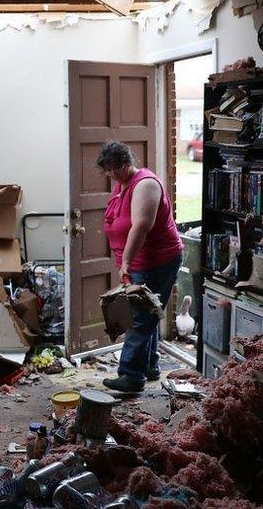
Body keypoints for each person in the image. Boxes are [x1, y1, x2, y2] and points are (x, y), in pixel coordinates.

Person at [98, 141, 184, 393]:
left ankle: (131, 375)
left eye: (113, 169)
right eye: (107, 170)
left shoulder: (145, 184)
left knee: (139, 316)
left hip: (157, 260)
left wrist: (125, 262)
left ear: (125, 163)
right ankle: (149, 367)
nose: (110, 175)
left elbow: (141, 226)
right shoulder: (121, 185)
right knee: (148, 312)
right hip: (138, 261)